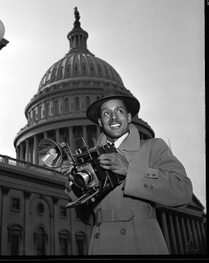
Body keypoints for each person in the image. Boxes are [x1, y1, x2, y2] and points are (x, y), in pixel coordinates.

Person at [60, 88, 193, 255]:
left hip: (141, 245)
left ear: (129, 117)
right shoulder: (88, 161)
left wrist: (129, 171)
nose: (114, 117)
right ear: (100, 122)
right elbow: (90, 219)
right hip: (102, 247)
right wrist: (75, 185)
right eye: (107, 113)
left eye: (119, 111)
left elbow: (184, 192)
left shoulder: (153, 148)